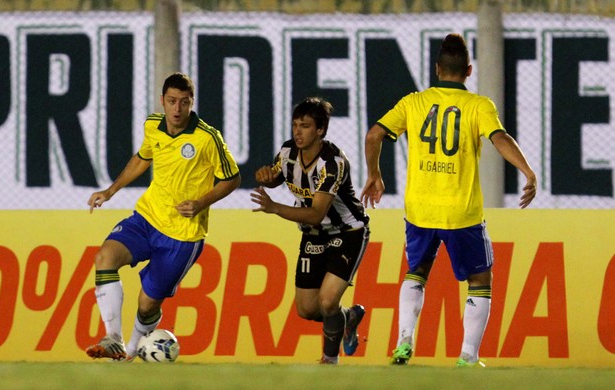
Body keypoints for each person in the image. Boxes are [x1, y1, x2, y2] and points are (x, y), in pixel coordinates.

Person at [361, 34, 537, 367]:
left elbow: (374, 135)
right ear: (468, 70)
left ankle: (403, 342)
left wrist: (375, 174)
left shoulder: (414, 102)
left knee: (417, 271)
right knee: (480, 280)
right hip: (461, 212)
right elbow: (500, 138)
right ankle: (468, 357)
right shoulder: (479, 105)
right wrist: (527, 171)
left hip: (420, 209)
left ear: (438, 68)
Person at [85, 72, 241, 361]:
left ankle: (131, 353)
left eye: (184, 102)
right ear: (162, 101)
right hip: (147, 217)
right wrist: (110, 191)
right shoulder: (152, 125)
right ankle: (113, 339)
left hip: (182, 236)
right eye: (172, 101)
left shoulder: (208, 138)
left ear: (191, 102)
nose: (177, 109)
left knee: (147, 305)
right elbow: (142, 157)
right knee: (105, 257)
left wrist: (201, 203)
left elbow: (232, 179)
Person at [251, 97, 370, 364]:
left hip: (347, 232)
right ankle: (348, 316)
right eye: (295, 125)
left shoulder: (333, 162)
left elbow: (317, 213)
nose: (297, 131)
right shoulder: (286, 153)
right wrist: (267, 180)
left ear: (320, 130)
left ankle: (329, 360)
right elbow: (277, 176)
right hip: (313, 235)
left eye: (305, 126)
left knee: (327, 301)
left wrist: (275, 207)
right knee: (306, 309)